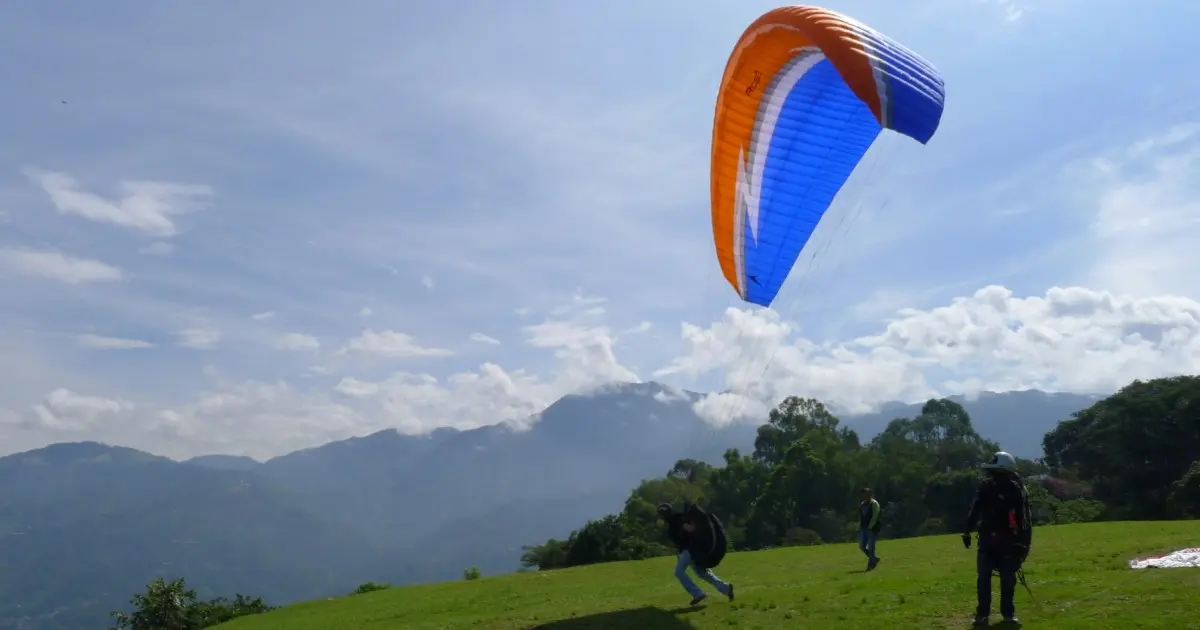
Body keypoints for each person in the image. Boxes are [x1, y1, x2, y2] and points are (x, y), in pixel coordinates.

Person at [962, 451, 1032, 627]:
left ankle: (1007, 614)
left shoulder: (1014, 490)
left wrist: (1021, 541)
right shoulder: (985, 488)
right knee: (984, 579)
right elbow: (975, 510)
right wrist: (967, 531)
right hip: (987, 539)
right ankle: (983, 615)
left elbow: (1021, 518)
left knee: (1007, 579)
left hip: (1007, 540)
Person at [657, 502, 735, 606]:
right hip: (693, 551)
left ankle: (698, 594)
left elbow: (691, 529)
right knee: (702, 573)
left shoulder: (676, 520)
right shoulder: (676, 520)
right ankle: (726, 588)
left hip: (689, 551)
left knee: (679, 572)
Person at [858, 487, 882, 571]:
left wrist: (870, 527)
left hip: (873, 529)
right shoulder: (862, 505)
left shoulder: (874, 504)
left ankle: (871, 565)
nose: (865, 497)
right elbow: (861, 517)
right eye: (863, 495)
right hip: (864, 528)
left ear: (870, 495)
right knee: (862, 546)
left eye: (867, 495)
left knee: (871, 547)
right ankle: (874, 558)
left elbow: (875, 516)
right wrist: (859, 527)